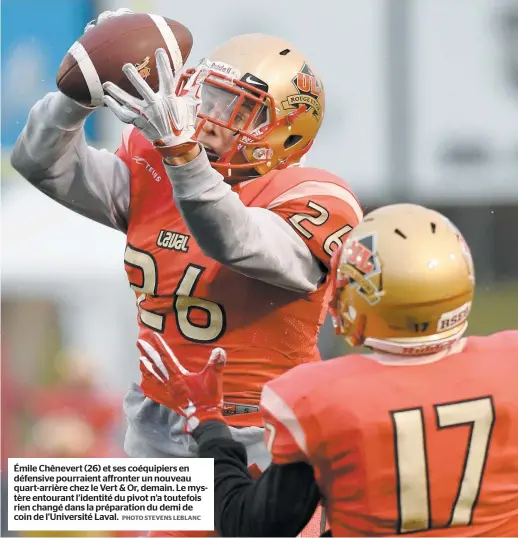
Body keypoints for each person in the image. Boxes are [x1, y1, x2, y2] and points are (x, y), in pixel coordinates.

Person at [11, 7, 361, 537]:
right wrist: (78, 91)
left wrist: (183, 157)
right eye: (210, 95)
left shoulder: (311, 198)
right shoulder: (160, 168)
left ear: (287, 138)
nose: (210, 115)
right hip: (158, 424)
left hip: (260, 433)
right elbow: (40, 162)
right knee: (45, 504)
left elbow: (233, 239)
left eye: (239, 109)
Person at [138, 203, 518, 537]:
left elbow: (250, 526)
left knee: (107, 499)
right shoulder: (509, 364)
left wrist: (207, 423)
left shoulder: (322, 397)